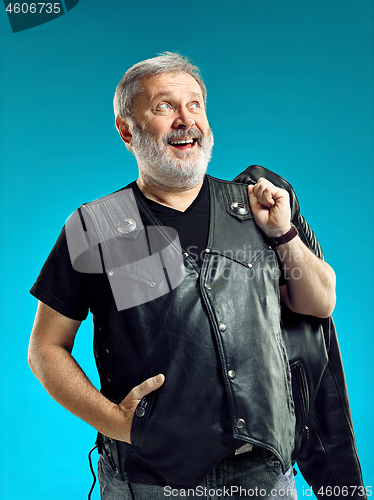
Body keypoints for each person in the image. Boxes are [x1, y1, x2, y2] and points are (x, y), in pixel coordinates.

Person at [28, 53, 365, 500]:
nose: (186, 121)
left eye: (195, 105)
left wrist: (283, 233)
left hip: (262, 475)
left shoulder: (256, 205)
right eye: (164, 107)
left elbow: (319, 305)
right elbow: (45, 349)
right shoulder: (99, 225)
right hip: (149, 480)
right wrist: (114, 422)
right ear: (127, 130)